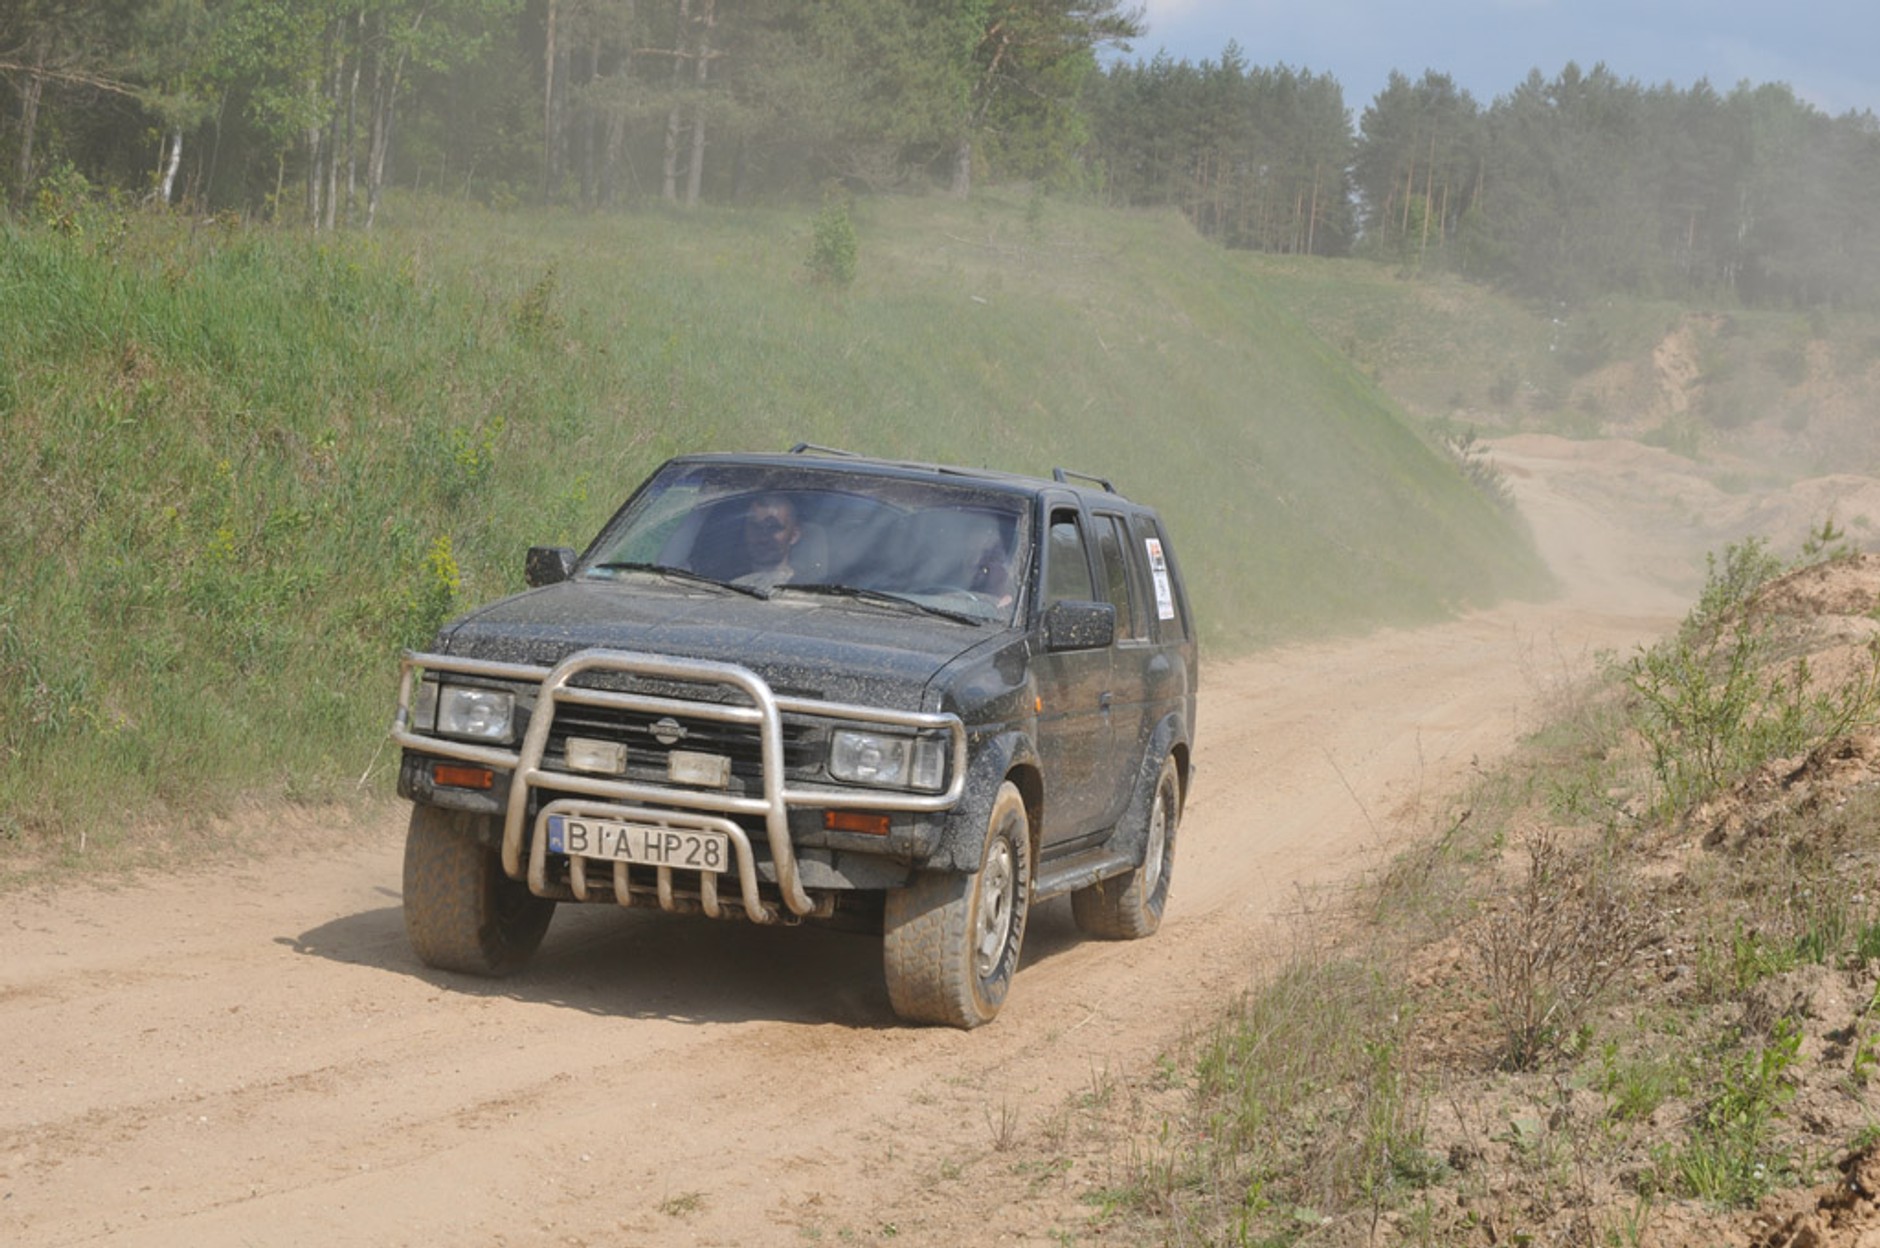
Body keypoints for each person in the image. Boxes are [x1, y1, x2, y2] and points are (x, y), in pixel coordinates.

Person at [735, 494, 801, 589]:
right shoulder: (714, 584)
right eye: (756, 527)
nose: (763, 538)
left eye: (774, 528)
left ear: (794, 535)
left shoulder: (805, 589)